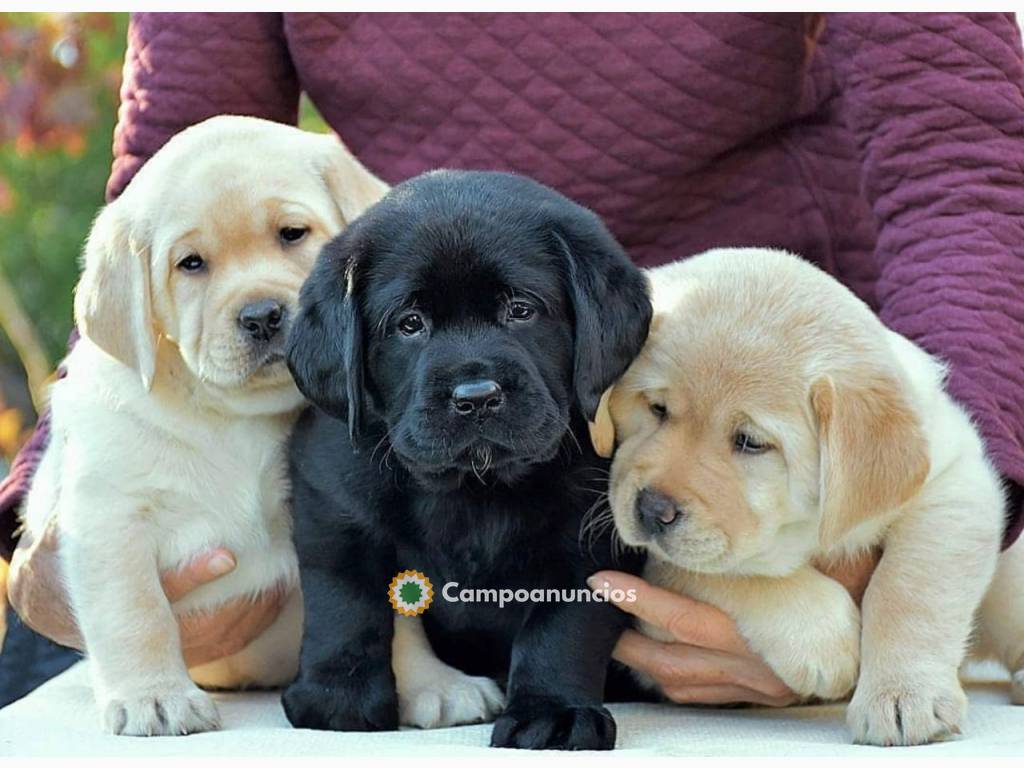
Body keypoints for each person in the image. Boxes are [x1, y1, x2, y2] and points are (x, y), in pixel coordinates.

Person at [2, 12, 1023, 706]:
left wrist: (874, 547)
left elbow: (963, 165)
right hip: (400, 486)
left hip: (764, 440)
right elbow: (170, 195)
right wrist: (54, 503)